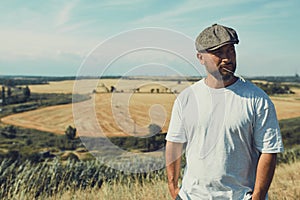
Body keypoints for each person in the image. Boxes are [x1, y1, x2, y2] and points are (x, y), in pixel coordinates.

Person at [165, 24, 284, 200]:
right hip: (191, 196)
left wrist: (257, 196)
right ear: (200, 58)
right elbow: (174, 144)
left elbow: (269, 150)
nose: (227, 58)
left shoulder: (257, 99)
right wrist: (174, 188)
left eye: (230, 51)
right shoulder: (187, 98)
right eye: (219, 53)